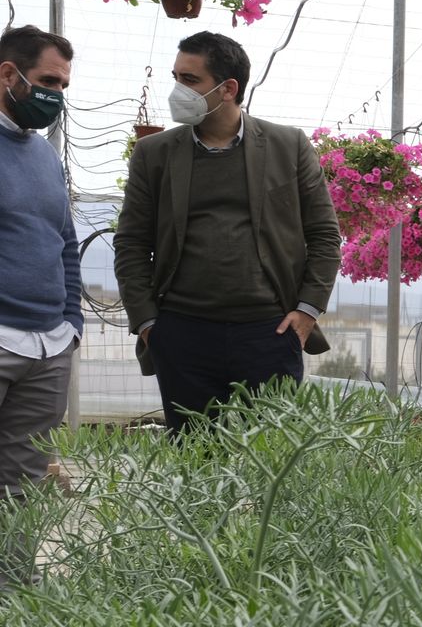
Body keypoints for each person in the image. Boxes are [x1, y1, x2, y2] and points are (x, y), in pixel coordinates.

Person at [113, 31, 342, 433]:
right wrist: (148, 324)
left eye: (189, 80)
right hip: (181, 332)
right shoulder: (155, 154)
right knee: (194, 461)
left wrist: (306, 312)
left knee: (272, 464)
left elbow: (324, 235)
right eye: (176, 77)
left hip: (270, 331)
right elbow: (131, 243)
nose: (176, 90)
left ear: (228, 88)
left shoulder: (288, 146)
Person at [0, 25, 80, 590]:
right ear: (9, 74)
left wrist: (71, 322)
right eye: (49, 81)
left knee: (24, 481)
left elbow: (65, 242)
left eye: (63, 84)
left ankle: (12, 596)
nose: (56, 95)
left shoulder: (47, 158)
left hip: (48, 345)